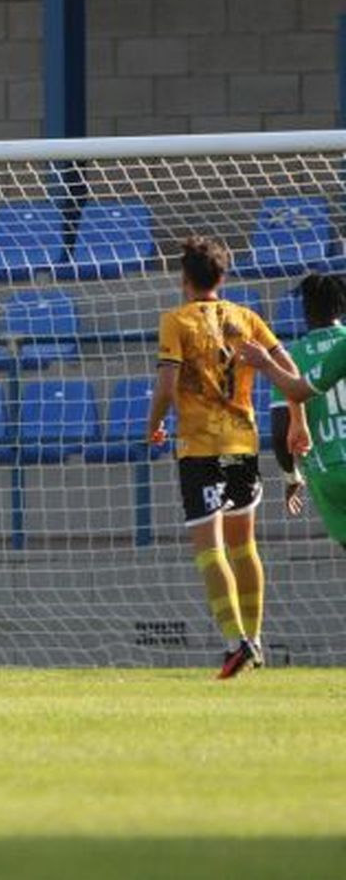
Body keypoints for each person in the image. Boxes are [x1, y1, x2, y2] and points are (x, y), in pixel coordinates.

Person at [144, 236, 300, 679]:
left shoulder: (176, 320)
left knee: (210, 551)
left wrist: (152, 425)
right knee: (244, 547)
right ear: (222, 276)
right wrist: (297, 418)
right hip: (242, 445)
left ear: (184, 278)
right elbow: (289, 371)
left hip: (200, 449)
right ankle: (256, 639)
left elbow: (167, 386)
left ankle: (235, 643)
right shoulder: (246, 317)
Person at [238, 274, 346, 550]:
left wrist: (290, 475)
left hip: (327, 470)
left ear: (305, 310)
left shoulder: (295, 357)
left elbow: (280, 431)